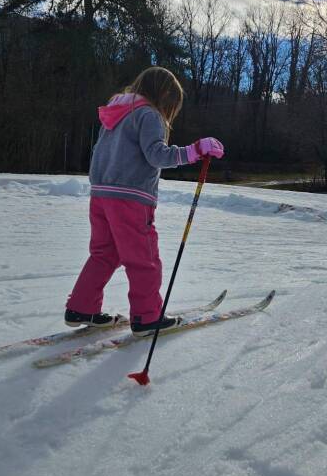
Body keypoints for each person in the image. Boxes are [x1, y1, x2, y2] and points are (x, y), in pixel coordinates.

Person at [65, 67, 224, 337]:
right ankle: (147, 317)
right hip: (131, 198)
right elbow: (157, 155)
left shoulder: (115, 115)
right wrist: (195, 151)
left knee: (105, 253)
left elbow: (98, 153)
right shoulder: (148, 114)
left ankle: (81, 307)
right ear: (163, 95)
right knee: (144, 258)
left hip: (102, 195)